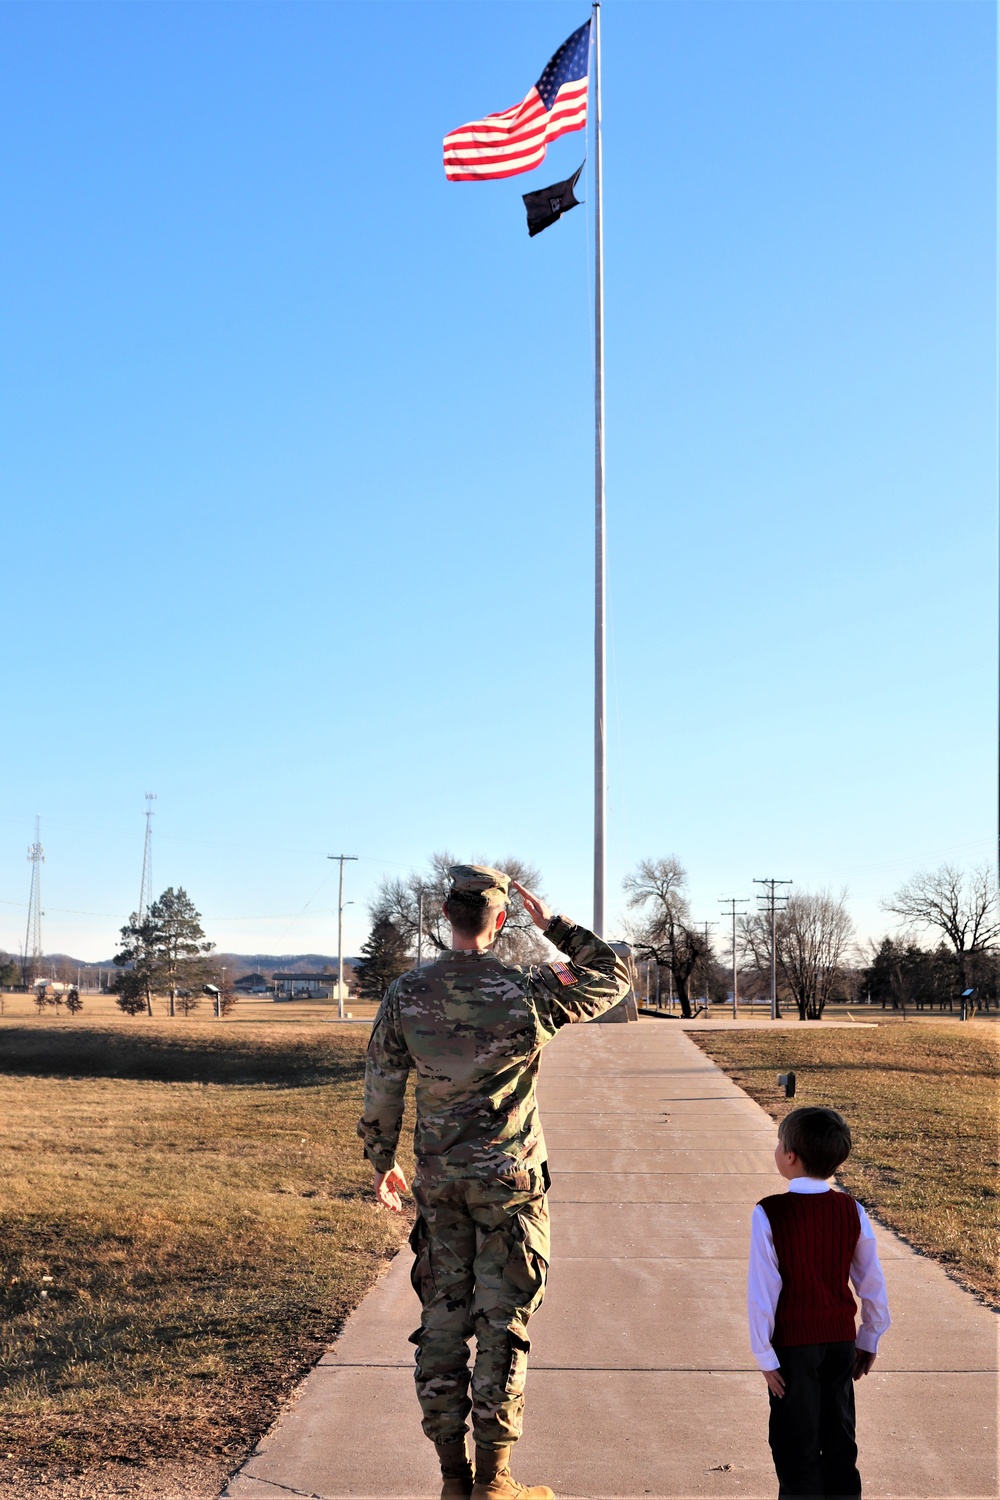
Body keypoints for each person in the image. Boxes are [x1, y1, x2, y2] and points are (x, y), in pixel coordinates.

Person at [358, 864, 630, 1500]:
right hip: (509, 1182)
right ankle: (494, 1481)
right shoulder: (528, 989)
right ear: (501, 921)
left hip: (440, 1183)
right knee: (503, 1323)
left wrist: (382, 1159)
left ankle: (453, 1482)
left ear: (445, 916)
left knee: (443, 1324)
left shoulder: (407, 993)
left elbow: (383, 1083)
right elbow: (613, 977)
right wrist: (555, 925)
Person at [748, 1106, 892, 1500]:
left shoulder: (770, 1212)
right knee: (840, 1439)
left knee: (796, 1444)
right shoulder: (851, 1209)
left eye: (779, 1143)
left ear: (790, 1155)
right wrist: (870, 1336)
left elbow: (764, 1290)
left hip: (793, 1349)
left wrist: (763, 1353)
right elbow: (871, 1281)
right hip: (841, 1343)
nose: (777, 1149)